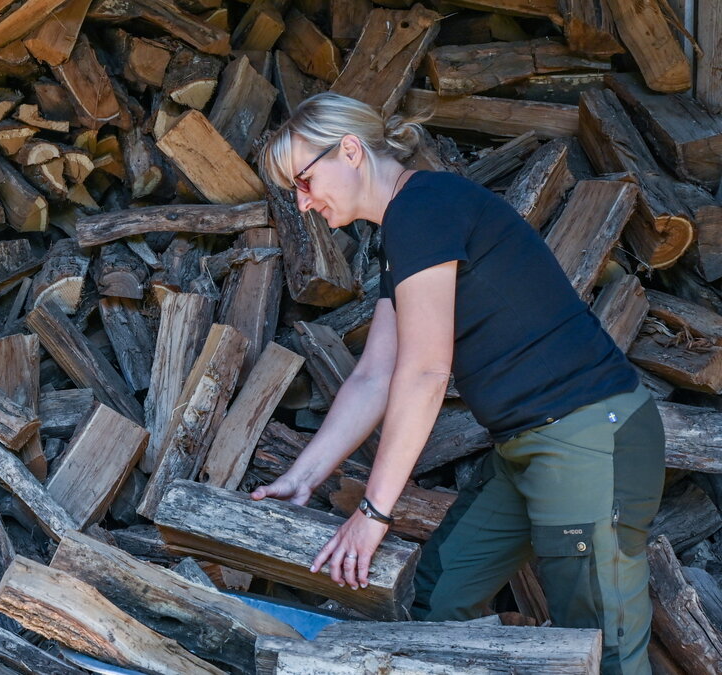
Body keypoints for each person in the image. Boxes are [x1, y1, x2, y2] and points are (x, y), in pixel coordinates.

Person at [252, 92, 664, 675]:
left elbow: (424, 372)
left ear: (348, 151)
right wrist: (303, 477)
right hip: (526, 446)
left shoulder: (425, 208)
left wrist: (373, 514)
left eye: (303, 180)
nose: (303, 202)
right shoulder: (407, 227)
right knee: (442, 599)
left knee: (606, 648)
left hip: (589, 436)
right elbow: (374, 375)